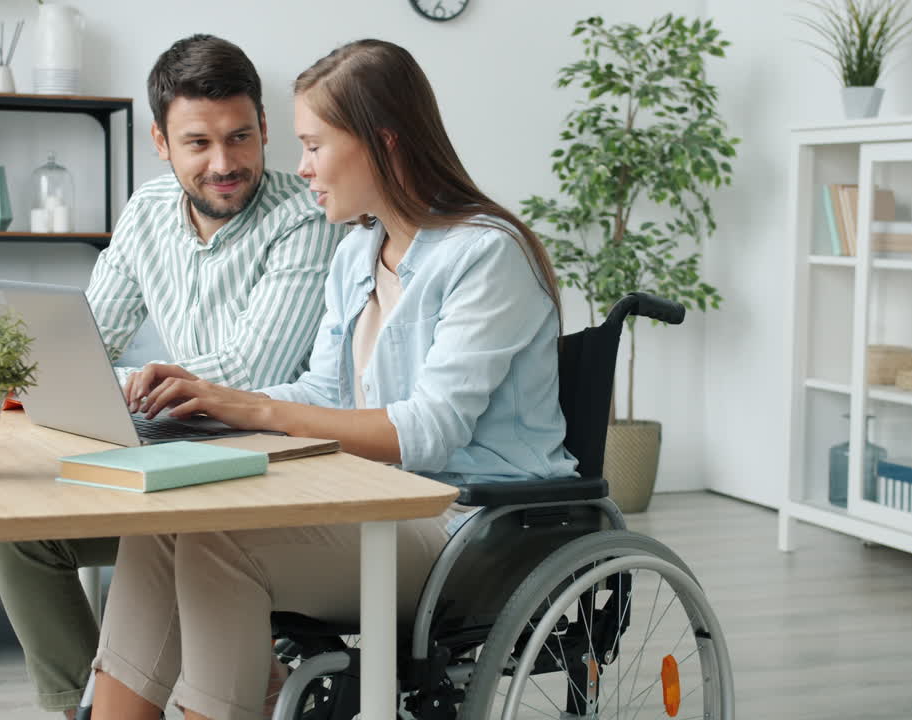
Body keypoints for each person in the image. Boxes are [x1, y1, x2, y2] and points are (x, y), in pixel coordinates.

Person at [88, 39, 579, 720]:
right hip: (379, 506)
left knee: (218, 541)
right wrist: (211, 405)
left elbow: (427, 432)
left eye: (315, 145)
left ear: (381, 143)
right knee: (162, 525)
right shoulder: (357, 252)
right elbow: (324, 393)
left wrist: (250, 409)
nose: (302, 167)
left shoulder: (484, 255)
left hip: (472, 527)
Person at [0, 34, 347, 718]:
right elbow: (87, 333)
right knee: (22, 532)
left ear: (266, 127)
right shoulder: (148, 211)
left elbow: (253, 370)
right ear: (160, 141)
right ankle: (83, 705)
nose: (225, 163)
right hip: (175, 450)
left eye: (241, 137)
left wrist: (121, 381)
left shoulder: (306, 217)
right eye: (198, 144)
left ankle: (226, 681)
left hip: (271, 463)